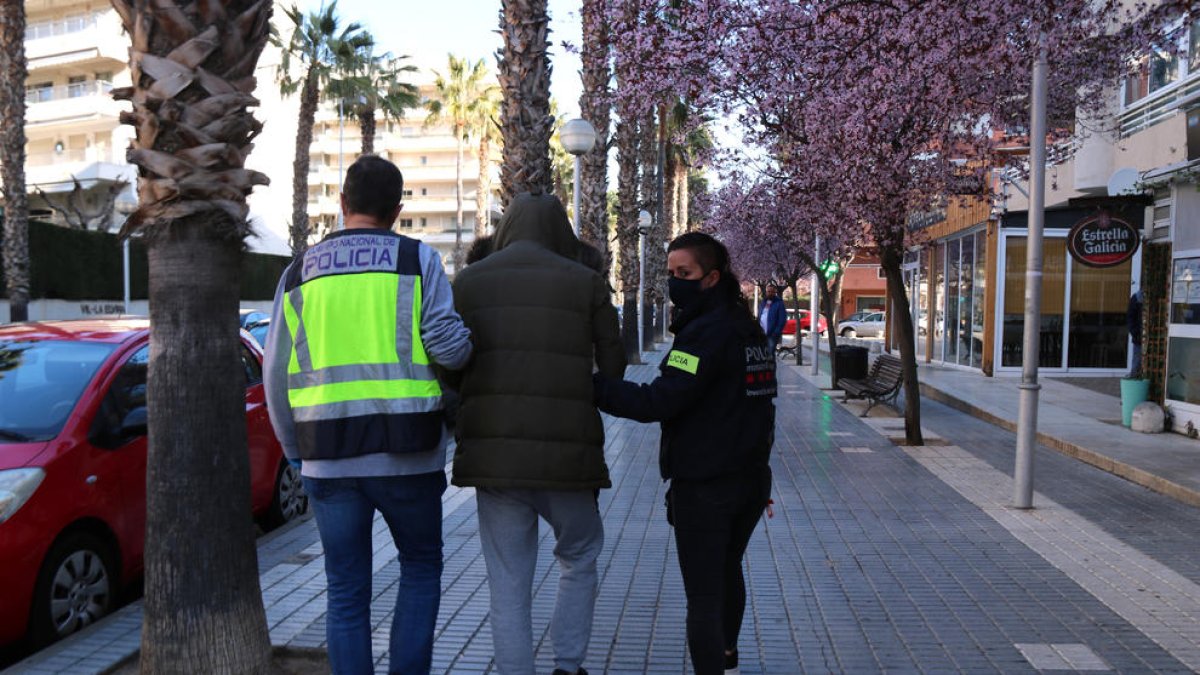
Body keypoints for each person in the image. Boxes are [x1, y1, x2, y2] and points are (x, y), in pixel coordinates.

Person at [263, 155, 472, 675]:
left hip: (327, 459)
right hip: (409, 453)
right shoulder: (416, 259)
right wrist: (469, 347)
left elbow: (274, 374)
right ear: (397, 210)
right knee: (420, 569)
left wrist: (294, 452)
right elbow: (449, 351)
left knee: (346, 593)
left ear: (342, 203)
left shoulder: (298, 272)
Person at [450, 192, 625, 675]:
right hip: (569, 463)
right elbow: (614, 367)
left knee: (507, 583)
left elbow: (450, 366)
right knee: (581, 554)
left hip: (496, 464)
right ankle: (568, 667)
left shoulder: (469, 281)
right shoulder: (586, 282)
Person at [592, 232, 776, 675]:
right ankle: (727, 654)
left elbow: (660, 401)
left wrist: (592, 386)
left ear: (711, 278)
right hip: (750, 480)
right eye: (672, 273)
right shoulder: (744, 326)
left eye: (685, 274)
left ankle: (713, 665)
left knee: (703, 594)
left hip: (707, 486)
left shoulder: (704, 335)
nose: (676, 282)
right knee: (727, 569)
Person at [758, 285, 787, 355]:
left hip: (772, 334)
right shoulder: (763, 302)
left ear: (775, 293)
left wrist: (776, 332)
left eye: (772, 292)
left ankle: (771, 366)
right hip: (762, 333)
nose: (770, 293)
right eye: (768, 291)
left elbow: (782, 320)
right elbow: (760, 316)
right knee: (762, 354)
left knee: (770, 354)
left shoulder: (779, 303)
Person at [1128, 283, 1144, 377]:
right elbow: (1130, 317)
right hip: (1139, 336)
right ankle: (1134, 378)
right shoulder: (1137, 298)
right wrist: (1135, 332)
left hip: (1144, 335)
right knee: (1137, 361)